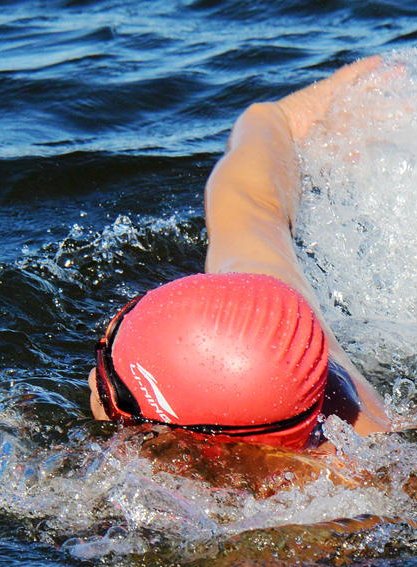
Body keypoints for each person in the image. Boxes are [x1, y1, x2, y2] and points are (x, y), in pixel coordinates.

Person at [88, 57, 391, 449]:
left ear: (191, 442)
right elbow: (246, 198)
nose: (94, 380)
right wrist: (286, 115)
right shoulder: (288, 342)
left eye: (116, 394)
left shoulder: (360, 505)